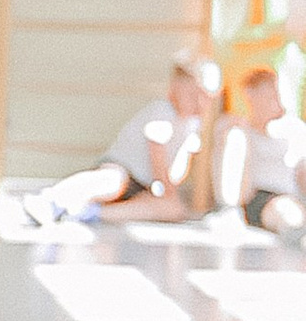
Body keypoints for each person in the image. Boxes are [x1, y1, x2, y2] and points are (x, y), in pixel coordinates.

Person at [21, 45, 215, 224]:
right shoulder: (162, 112)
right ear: (176, 88)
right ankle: (52, 200)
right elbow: (157, 156)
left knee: (172, 210)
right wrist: (167, 189)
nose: (200, 104)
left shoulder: (192, 124)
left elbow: (179, 166)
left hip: (145, 186)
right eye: (194, 95)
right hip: (124, 171)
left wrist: (165, 192)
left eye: (207, 99)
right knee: (112, 181)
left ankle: (91, 214)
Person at [211, 57, 306, 238]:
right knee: (286, 213)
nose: (276, 101)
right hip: (259, 197)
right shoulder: (239, 130)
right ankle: (229, 211)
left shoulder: (293, 130)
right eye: (269, 97)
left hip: (292, 195)